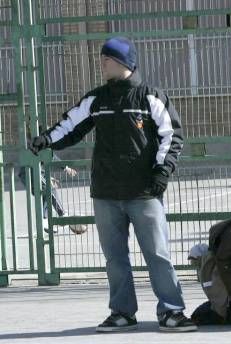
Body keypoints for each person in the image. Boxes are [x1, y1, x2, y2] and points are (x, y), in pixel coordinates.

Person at [28, 36, 196, 332]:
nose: (102, 62)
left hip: (144, 191)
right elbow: (70, 125)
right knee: (115, 258)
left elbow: (172, 137)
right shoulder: (96, 99)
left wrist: (161, 173)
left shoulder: (150, 97)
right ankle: (122, 312)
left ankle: (172, 311)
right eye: (102, 58)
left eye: (108, 58)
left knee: (158, 254)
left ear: (125, 63)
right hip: (105, 193)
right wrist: (46, 139)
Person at [18, 153, 87, 234]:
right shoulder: (43, 144)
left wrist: (48, 178)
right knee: (49, 189)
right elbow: (51, 156)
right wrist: (66, 168)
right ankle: (62, 215)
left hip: (30, 172)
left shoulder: (39, 144)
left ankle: (45, 221)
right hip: (31, 172)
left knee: (45, 194)